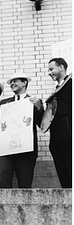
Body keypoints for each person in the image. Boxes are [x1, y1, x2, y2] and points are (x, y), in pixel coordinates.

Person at [0, 72, 44, 188]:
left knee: (24, 182)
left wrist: (39, 108)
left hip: (26, 148)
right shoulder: (4, 103)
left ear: (24, 83)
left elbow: (41, 124)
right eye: (11, 82)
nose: (12, 83)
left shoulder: (33, 102)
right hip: (6, 149)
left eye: (15, 81)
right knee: (3, 180)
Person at [46, 57, 72, 188]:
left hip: (67, 133)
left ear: (61, 67)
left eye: (51, 69)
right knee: (61, 167)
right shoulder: (56, 89)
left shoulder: (70, 84)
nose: (49, 72)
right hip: (56, 135)